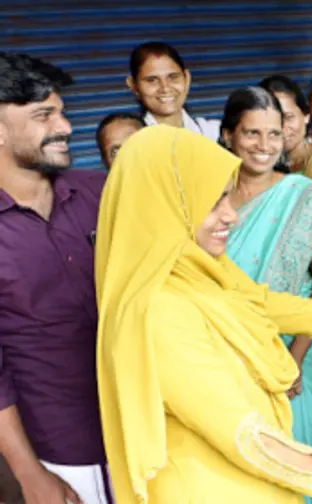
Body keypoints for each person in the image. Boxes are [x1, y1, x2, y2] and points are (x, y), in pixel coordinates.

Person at [96, 124, 312, 504]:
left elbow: (310, 313)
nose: (231, 216)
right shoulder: (159, 312)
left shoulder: (206, 277)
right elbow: (248, 439)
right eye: (211, 203)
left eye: (228, 198)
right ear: (165, 207)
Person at [219, 87, 312, 504]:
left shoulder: (304, 196)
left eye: (274, 133)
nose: (265, 145)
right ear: (228, 135)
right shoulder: (210, 198)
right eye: (252, 133)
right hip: (233, 353)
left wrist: (294, 360)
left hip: (300, 354)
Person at [0, 52, 110, 504]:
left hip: (147, 432)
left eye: (61, 112)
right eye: (44, 116)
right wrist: (30, 474)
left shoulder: (100, 193)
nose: (64, 126)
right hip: (60, 454)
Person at [126, 41, 220, 140]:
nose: (165, 88)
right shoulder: (130, 140)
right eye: (152, 80)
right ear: (133, 85)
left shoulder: (214, 133)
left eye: (173, 77)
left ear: (187, 78)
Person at [259, 75, 312, 174]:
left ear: (306, 115)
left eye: (289, 117)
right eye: (271, 120)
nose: (281, 128)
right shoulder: (254, 168)